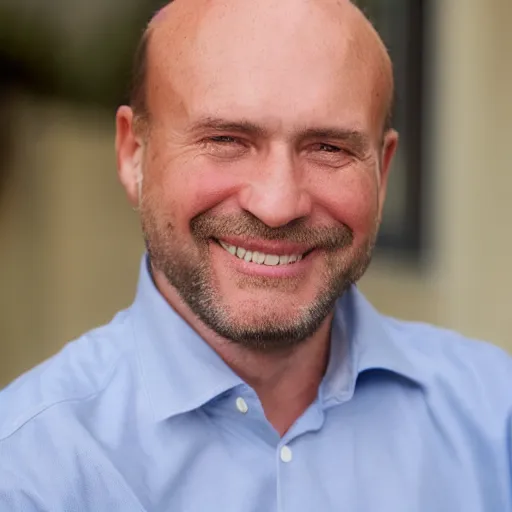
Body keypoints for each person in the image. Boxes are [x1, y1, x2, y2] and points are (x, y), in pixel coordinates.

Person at [1, 0, 511, 510]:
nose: (277, 205)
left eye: (329, 148)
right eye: (226, 139)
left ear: (382, 170)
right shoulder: (28, 471)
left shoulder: (495, 423)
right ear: (133, 153)